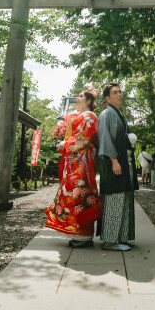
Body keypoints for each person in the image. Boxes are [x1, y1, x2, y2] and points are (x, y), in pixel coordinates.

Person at [44, 91, 101, 248]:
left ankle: (85, 235)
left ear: (89, 100)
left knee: (81, 194)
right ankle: (76, 232)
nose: (77, 99)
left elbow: (86, 138)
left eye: (81, 97)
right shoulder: (83, 116)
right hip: (75, 160)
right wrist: (67, 144)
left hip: (81, 162)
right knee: (72, 194)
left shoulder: (90, 117)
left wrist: (66, 144)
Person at [97, 82, 139, 251]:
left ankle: (121, 236)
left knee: (124, 198)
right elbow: (106, 139)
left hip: (123, 162)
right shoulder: (107, 114)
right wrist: (114, 161)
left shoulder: (119, 114)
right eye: (115, 92)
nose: (119, 94)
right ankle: (110, 240)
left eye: (120, 91)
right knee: (115, 198)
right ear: (107, 98)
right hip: (113, 162)